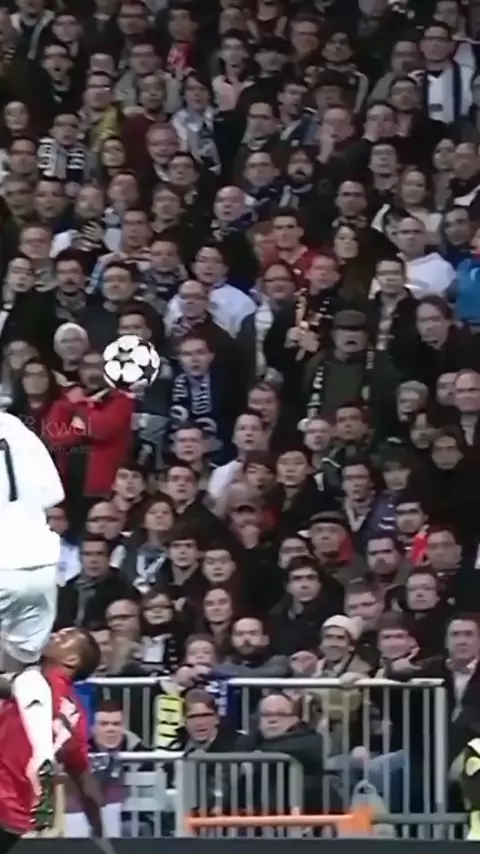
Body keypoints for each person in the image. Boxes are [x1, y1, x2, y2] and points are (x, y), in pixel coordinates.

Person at [0, 411, 65, 830]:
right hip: (40, 562)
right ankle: (42, 750)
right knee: (25, 667)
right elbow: (54, 493)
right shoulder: (15, 428)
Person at [0, 627, 103, 847]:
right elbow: (82, 776)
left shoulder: (39, 682)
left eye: (63, 637)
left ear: (72, 660)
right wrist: (99, 828)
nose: (54, 635)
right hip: (15, 816)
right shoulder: (75, 714)